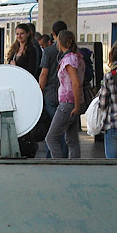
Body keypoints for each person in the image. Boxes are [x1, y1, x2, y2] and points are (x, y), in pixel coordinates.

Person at [44, 30, 85, 158]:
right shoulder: (78, 57)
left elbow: (76, 83)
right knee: (71, 140)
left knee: (51, 138)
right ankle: (74, 166)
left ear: (59, 42)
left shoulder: (69, 60)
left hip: (68, 103)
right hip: (74, 102)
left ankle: (58, 166)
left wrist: (77, 107)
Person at [39, 20, 68, 156]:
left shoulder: (49, 51)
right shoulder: (73, 52)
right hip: (68, 96)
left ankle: (52, 158)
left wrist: (40, 91)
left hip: (51, 94)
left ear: (53, 34)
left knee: (52, 131)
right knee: (65, 131)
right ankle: (65, 158)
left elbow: (44, 73)